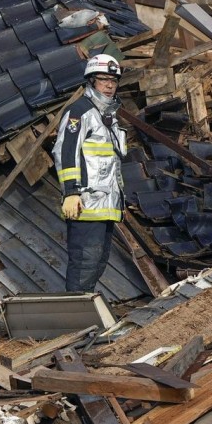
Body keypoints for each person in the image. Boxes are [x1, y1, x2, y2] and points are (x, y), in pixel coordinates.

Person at [53, 54, 128, 292]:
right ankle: (74, 319)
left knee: (97, 263)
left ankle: (83, 315)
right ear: (91, 80)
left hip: (105, 205)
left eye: (113, 81)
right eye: (103, 79)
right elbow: (65, 151)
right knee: (84, 264)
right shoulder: (80, 111)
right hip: (85, 204)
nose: (109, 85)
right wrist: (71, 192)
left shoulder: (108, 116)